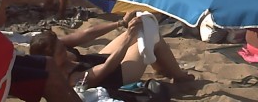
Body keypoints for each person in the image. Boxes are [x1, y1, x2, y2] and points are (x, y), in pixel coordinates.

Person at [29, 13, 194, 93]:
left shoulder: (60, 46)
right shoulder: (71, 78)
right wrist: (129, 36)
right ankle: (178, 76)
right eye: (59, 51)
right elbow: (108, 68)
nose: (63, 48)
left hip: (98, 59)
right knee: (151, 36)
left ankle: (161, 68)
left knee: (140, 31)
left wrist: (120, 23)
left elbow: (87, 34)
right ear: (49, 59)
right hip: (117, 74)